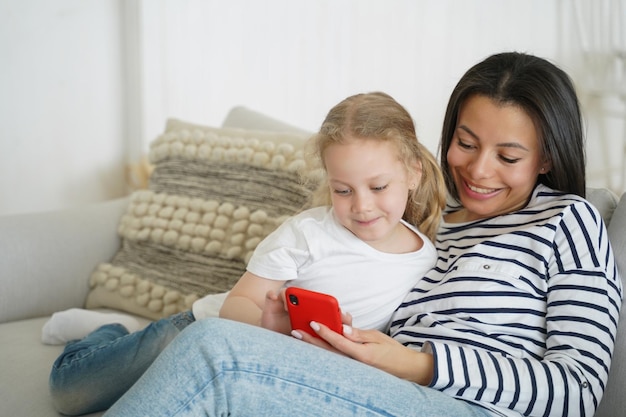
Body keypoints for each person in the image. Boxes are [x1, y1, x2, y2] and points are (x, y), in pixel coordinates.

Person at [102, 52, 623, 417]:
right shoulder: (427, 226)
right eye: (465, 143)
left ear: (548, 157)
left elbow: (577, 392)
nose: (479, 170)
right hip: (375, 387)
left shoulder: (567, 222)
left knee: (217, 350)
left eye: (508, 156)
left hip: (464, 407)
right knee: (215, 337)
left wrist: (417, 364)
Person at [46, 92, 447, 416]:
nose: (361, 206)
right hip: (195, 332)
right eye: (343, 190)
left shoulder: (425, 260)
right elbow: (238, 303)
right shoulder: (309, 233)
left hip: (272, 373)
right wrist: (267, 326)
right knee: (70, 393)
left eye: (378, 187)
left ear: (413, 172)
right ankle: (110, 328)